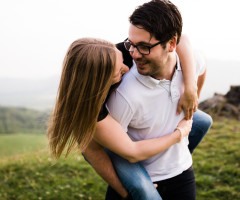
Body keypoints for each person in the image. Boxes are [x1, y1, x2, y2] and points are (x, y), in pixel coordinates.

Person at [46, 38, 206, 199]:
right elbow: (125, 152)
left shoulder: (117, 52)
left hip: (129, 136)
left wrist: (191, 89)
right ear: (102, 80)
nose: (127, 68)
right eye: (120, 71)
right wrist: (179, 134)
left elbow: (181, 39)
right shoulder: (95, 112)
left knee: (202, 122)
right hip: (113, 144)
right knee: (143, 191)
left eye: (123, 62)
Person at [85, 0, 213, 199]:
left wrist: (192, 91)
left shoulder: (189, 62)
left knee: (203, 121)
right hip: (141, 173)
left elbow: (199, 64)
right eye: (132, 45)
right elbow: (94, 147)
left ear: (171, 44)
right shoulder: (124, 94)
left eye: (144, 47)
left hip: (182, 172)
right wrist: (126, 190)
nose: (134, 55)